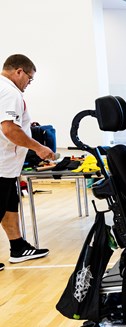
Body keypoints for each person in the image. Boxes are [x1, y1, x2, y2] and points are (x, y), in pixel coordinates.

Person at [1, 54, 54, 269]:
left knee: (8, 205)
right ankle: (17, 246)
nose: (28, 84)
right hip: (2, 165)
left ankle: (18, 246)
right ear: (19, 72)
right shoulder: (9, 92)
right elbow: (9, 128)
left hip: (7, 166)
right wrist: (38, 147)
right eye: (29, 79)